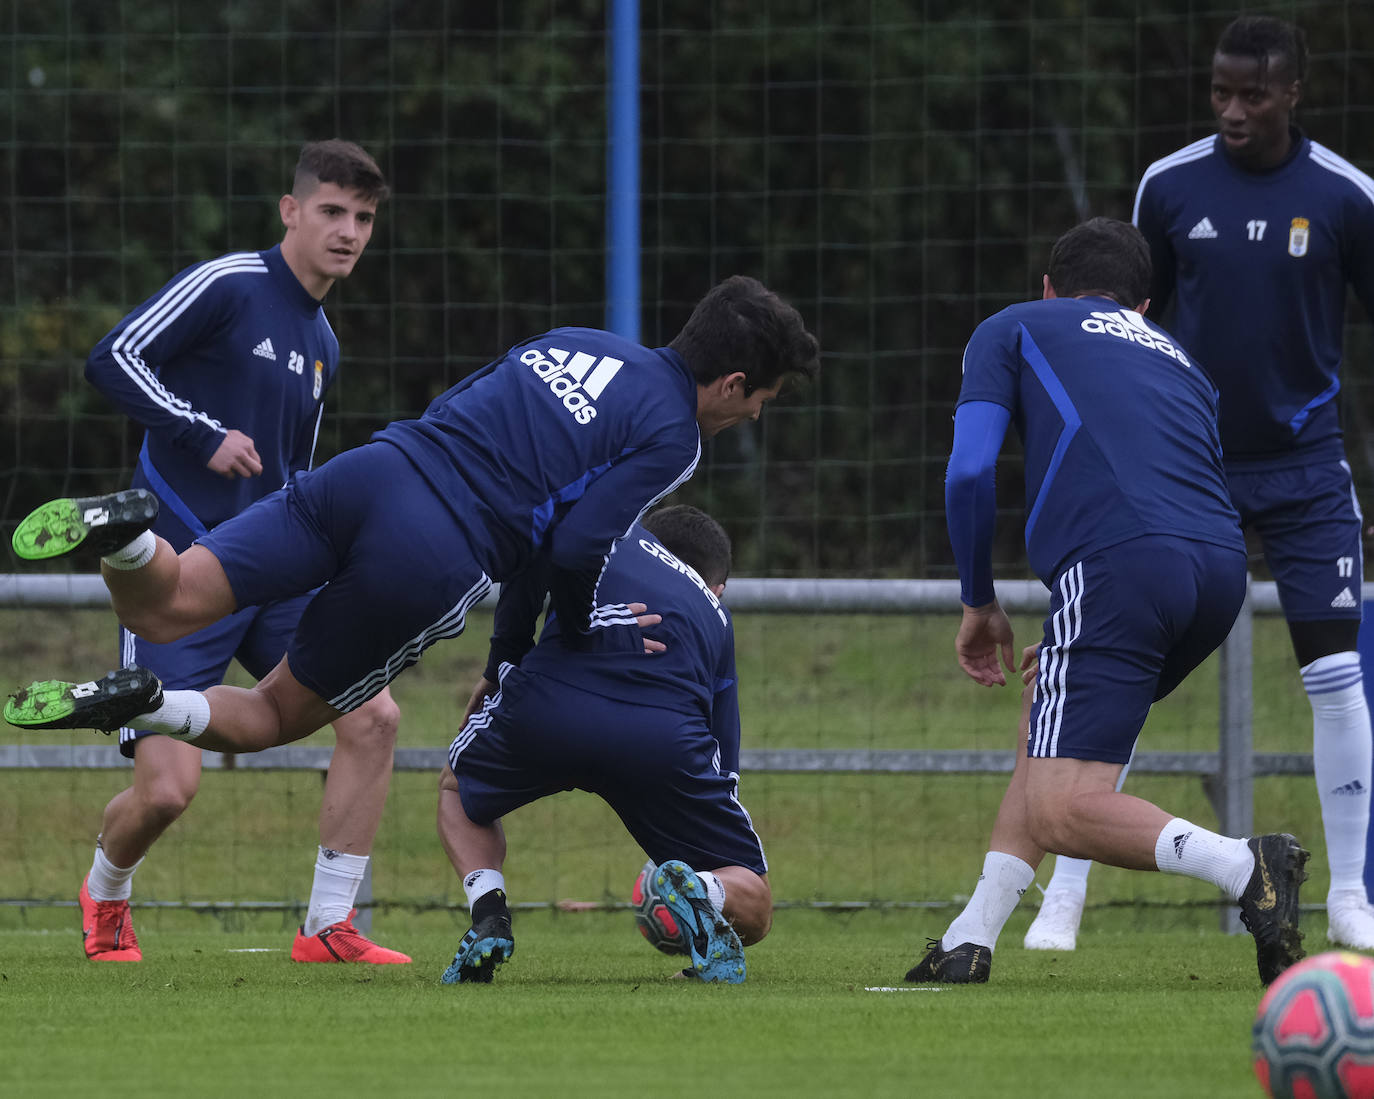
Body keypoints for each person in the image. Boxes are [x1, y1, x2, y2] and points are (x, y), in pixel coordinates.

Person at [5, 278, 819, 808]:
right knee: (274, 712)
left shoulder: (580, 338)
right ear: (734, 384)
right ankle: (150, 702)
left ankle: (122, 536)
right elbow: (570, 548)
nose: (755, 416)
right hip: (436, 548)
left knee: (171, 601)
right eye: (764, 400)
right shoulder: (676, 433)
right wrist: (550, 643)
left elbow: (464, 394)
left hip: (376, 467)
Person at [1027, 14, 1374, 955]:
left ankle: (1351, 895)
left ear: (1294, 91)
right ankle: (1064, 897)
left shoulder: (1346, 196)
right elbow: (1126, 322)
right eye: (1220, 91)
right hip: (1187, 462)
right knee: (1122, 673)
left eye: (1252, 94)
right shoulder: (1170, 187)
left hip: (1305, 469)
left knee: (1336, 673)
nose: (1232, 110)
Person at [907, 217, 1308, 987]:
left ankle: (1242, 866)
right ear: (1144, 305)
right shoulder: (1182, 359)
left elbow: (967, 474)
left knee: (1064, 806)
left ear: (1049, 286)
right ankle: (969, 938)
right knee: (1046, 729)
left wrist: (978, 599)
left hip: (1122, 560)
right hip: (1220, 571)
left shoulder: (1015, 325)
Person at [53, 140, 408, 965]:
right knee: (170, 790)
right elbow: (112, 357)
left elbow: (301, 477)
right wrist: (200, 434)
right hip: (177, 567)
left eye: (362, 218)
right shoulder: (229, 284)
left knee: (374, 714)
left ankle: (327, 925)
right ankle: (105, 892)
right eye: (331, 211)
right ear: (291, 211)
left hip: (273, 571)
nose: (348, 231)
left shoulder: (325, 341)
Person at [436, 503, 770, 985]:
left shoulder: (607, 526)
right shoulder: (714, 609)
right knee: (754, 900)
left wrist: (499, 667)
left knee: (456, 789)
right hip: (662, 737)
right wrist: (715, 841)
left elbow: (531, 560)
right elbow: (725, 746)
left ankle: (490, 915)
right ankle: (698, 888)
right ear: (717, 585)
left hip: (550, 709)